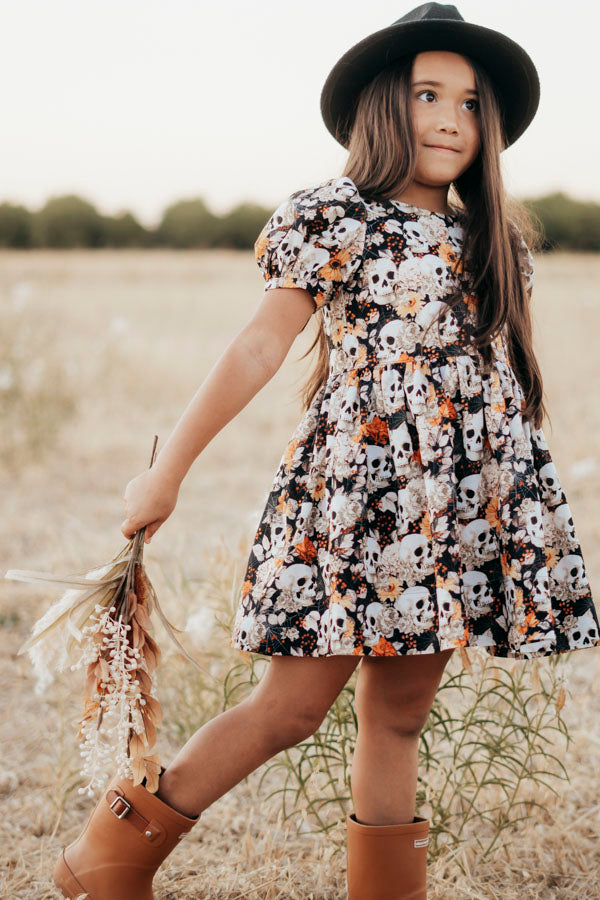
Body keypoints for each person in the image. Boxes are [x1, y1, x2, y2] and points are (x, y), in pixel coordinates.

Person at [52, 4, 600, 900]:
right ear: (384, 104)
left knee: (400, 719)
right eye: (429, 93)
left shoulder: (491, 241)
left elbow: (495, 385)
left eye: (470, 102)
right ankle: (107, 861)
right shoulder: (334, 215)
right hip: (360, 503)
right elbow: (258, 349)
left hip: (453, 512)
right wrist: (168, 470)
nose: (450, 118)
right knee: (292, 708)